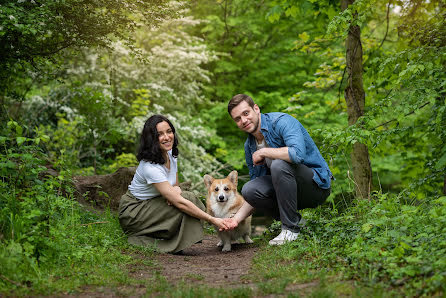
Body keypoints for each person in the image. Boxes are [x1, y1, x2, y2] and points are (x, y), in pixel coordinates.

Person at [224, 94, 333, 245]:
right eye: (237, 119)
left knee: (278, 164)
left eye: (246, 113)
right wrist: (235, 220)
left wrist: (264, 152)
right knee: (249, 190)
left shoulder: (281, 122)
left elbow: (297, 155)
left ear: (256, 109)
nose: (243, 120)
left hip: (315, 186)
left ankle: (290, 229)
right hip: (286, 194)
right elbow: (256, 193)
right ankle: (298, 222)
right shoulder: (249, 146)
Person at [118, 114, 228, 253]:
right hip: (134, 212)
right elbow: (179, 201)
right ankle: (147, 239)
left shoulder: (170, 154)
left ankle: (169, 237)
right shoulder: (150, 167)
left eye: (169, 131)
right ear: (151, 139)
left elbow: (176, 185)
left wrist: (174, 191)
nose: (167, 137)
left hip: (153, 203)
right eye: (160, 134)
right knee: (186, 201)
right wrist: (212, 220)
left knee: (187, 198)